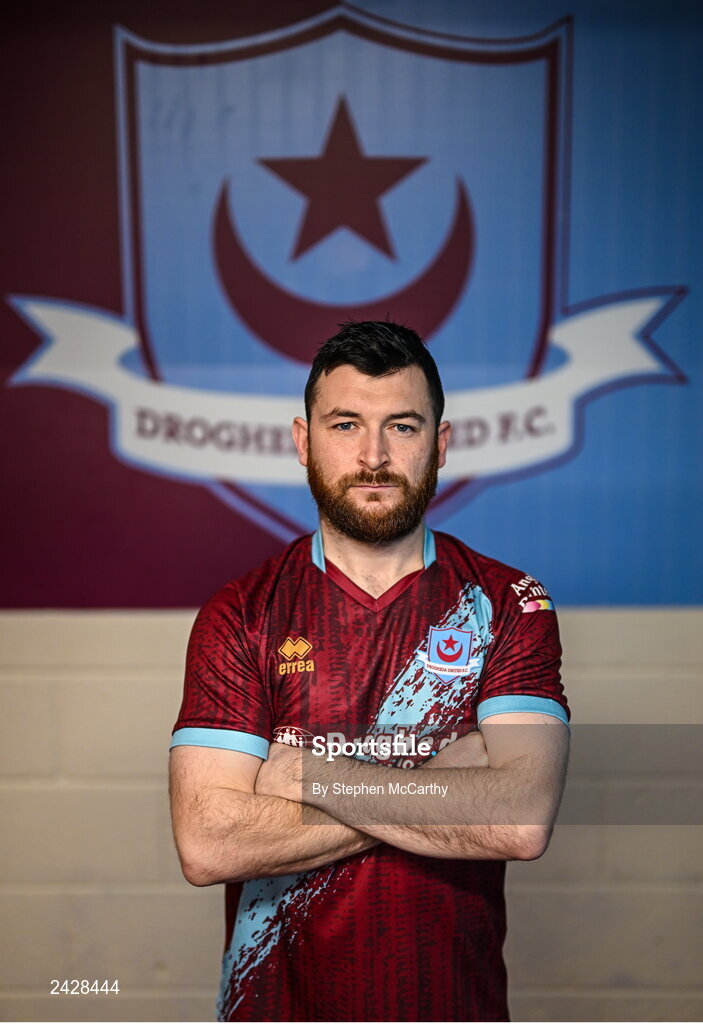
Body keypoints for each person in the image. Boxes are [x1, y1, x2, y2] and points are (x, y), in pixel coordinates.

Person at [169, 320, 570, 1022]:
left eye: (404, 427)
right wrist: (444, 783)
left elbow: (520, 819)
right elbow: (208, 844)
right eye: (346, 424)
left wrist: (306, 777)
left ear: (439, 446)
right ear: (304, 441)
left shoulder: (507, 603)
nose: (374, 455)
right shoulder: (241, 614)